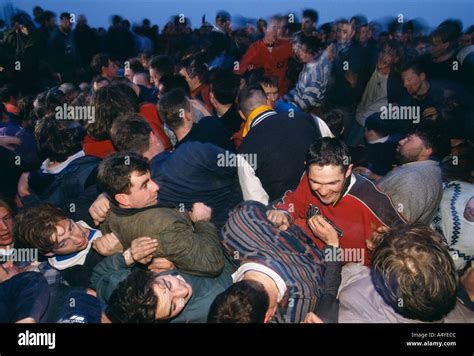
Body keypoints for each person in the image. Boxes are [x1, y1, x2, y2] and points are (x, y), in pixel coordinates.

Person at [270, 138, 406, 264]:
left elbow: (407, 250)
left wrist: (333, 247)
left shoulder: (373, 204)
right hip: (303, 248)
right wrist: (285, 212)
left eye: (332, 183)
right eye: (315, 182)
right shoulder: (310, 174)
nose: (323, 192)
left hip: (342, 272)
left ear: (348, 171)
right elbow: (296, 200)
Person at [93, 152, 225, 277]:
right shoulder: (165, 227)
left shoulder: (105, 211)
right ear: (123, 199)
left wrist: (102, 196)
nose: (156, 186)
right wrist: (203, 222)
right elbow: (212, 263)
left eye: (150, 179)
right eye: (145, 185)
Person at [109, 113, 242, 228]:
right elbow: (240, 164)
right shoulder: (191, 152)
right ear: (153, 137)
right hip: (244, 219)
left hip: (214, 240)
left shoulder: (140, 192)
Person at [213, 201, 326, 323]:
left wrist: (333, 246)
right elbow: (251, 206)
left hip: (332, 251)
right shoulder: (231, 232)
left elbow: (331, 284)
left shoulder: (301, 301)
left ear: (267, 318)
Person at [338, 224, 459, 323]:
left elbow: (334, 287)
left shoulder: (352, 313)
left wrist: (332, 249)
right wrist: (391, 242)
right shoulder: (442, 303)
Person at [237, 85, 322, 204]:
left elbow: (257, 205)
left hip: (284, 213)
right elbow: (334, 152)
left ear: (241, 114)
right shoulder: (308, 119)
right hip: (323, 197)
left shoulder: (245, 151)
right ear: (268, 102)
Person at [17, 117, 100, 226]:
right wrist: (27, 196)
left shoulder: (31, 177)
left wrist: (25, 194)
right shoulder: (93, 170)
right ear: (78, 138)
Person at [13, 204, 105, 287]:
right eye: (63, 244)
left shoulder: (82, 209)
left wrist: (106, 197)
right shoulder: (77, 273)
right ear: (48, 253)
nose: (78, 239)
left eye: (71, 228)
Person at [377, 122, 444, 224]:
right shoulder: (430, 170)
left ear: (426, 151)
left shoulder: (413, 180)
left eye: (409, 139)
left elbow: (388, 224)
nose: (400, 141)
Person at [158, 88, 234, 151]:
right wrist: (204, 110)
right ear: (186, 115)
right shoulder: (208, 126)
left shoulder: (176, 154)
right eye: (191, 107)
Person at [432, 180, 474, 270]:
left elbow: (447, 265)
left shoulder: (470, 243)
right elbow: (436, 187)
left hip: (423, 246)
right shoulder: (460, 186)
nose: (473, 212)